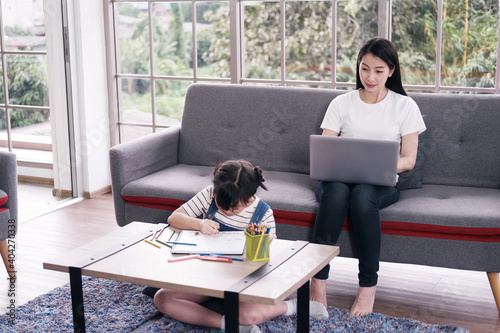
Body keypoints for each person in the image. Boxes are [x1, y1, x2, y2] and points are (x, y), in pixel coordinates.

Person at [310, 37, 426, 318]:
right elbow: (327, 149)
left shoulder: (405, 106)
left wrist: (377, 169)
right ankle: (318, 283)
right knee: (336, 194)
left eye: (378, 70)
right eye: (364, 68)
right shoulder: (341, 103)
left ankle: (368, 288)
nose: (370, 77)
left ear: (391, 71)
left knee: (362, 197)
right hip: (337, 178)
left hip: (381, 181)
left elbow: (408, 160)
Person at [153, 159, 328, 333]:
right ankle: (231, 326)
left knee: (250, 315)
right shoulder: (209, 194)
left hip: (242, 283)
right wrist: (199, 224)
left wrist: (262, 244)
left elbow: (270, 261)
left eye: (234, 207)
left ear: (249, 196)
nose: (226, 211)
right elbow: (174, 218)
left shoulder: (263, 213)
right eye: (221, 204)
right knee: (163, 298)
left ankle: (291, 306)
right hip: (207, 278)